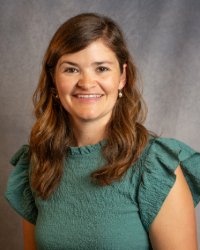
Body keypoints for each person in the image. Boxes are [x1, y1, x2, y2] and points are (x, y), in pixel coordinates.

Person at [4, 13, 200, 250]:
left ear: (122, 77)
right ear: (53, 79)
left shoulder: (155, 166)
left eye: (102, 68)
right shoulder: (39, 163)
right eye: (71, 69)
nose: (86, 82)